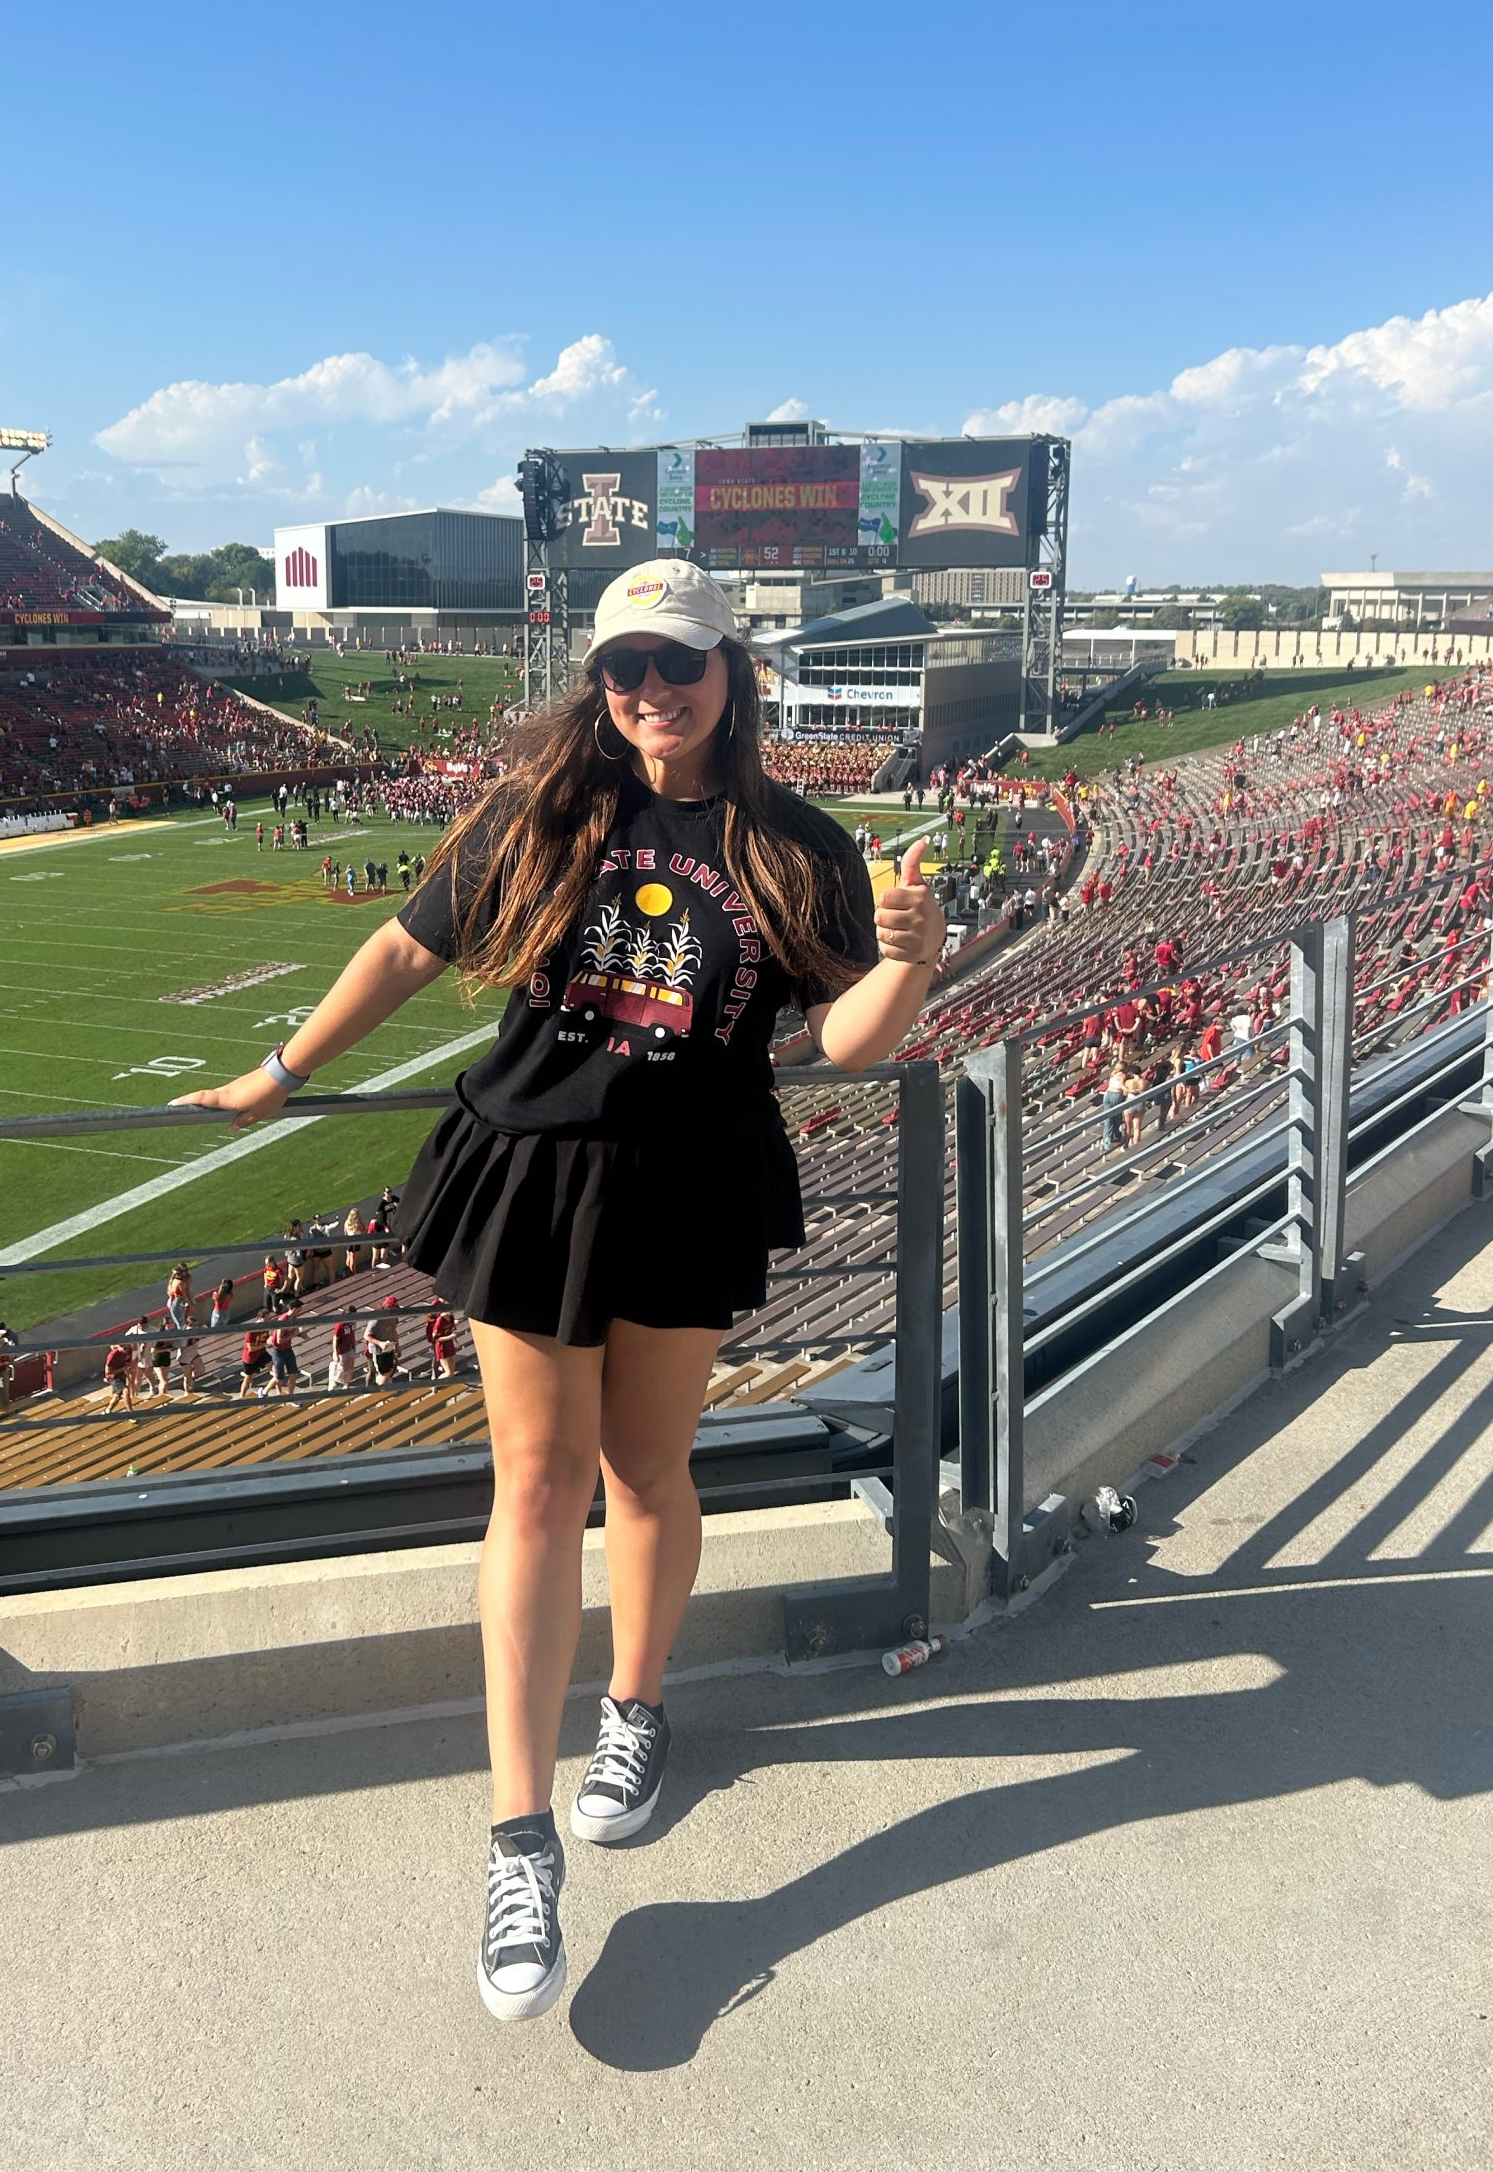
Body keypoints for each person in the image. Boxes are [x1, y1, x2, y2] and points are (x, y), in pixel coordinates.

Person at [175, 557, 939, 2024]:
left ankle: (637, 1713)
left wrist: (915, 961)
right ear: (598, 682)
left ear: (733, 674)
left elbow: (847, 1044)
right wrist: (280, 1077)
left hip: (694, 1179)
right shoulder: (548, 811)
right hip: (532, 1171)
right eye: (623, 668)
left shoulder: (798, 843)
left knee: (650, 1474)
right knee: (535, 1489)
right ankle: (518, 1841)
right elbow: (407, 943)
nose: (651, 691)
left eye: (679, 664)